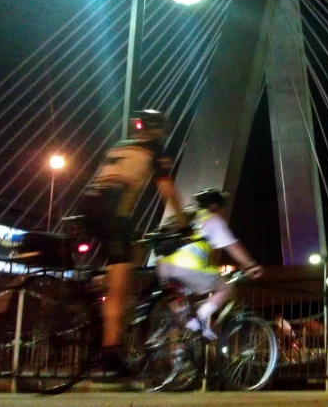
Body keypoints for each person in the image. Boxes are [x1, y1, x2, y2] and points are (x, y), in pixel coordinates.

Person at [79, 109, 187, 371]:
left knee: (134, 250)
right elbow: (167, 191)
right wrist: (183, 223)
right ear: (156, 129)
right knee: (119, 288)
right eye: (162, 130)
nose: (163, 134)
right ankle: (111, 350)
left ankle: (96, 285)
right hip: (113, 216)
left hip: (89, 207)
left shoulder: (121, 147)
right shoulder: (154, 151)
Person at [155, 188, 263, 340]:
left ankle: (178, 354)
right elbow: (233, 247)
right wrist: (251, 265)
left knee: (178, 316)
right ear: (215, 206)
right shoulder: (211, 219)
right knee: (225, 286)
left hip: (163, 268)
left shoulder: (185, 217)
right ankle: (201, 317)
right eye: (222, 208)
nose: (224, 212)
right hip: (186, 268)